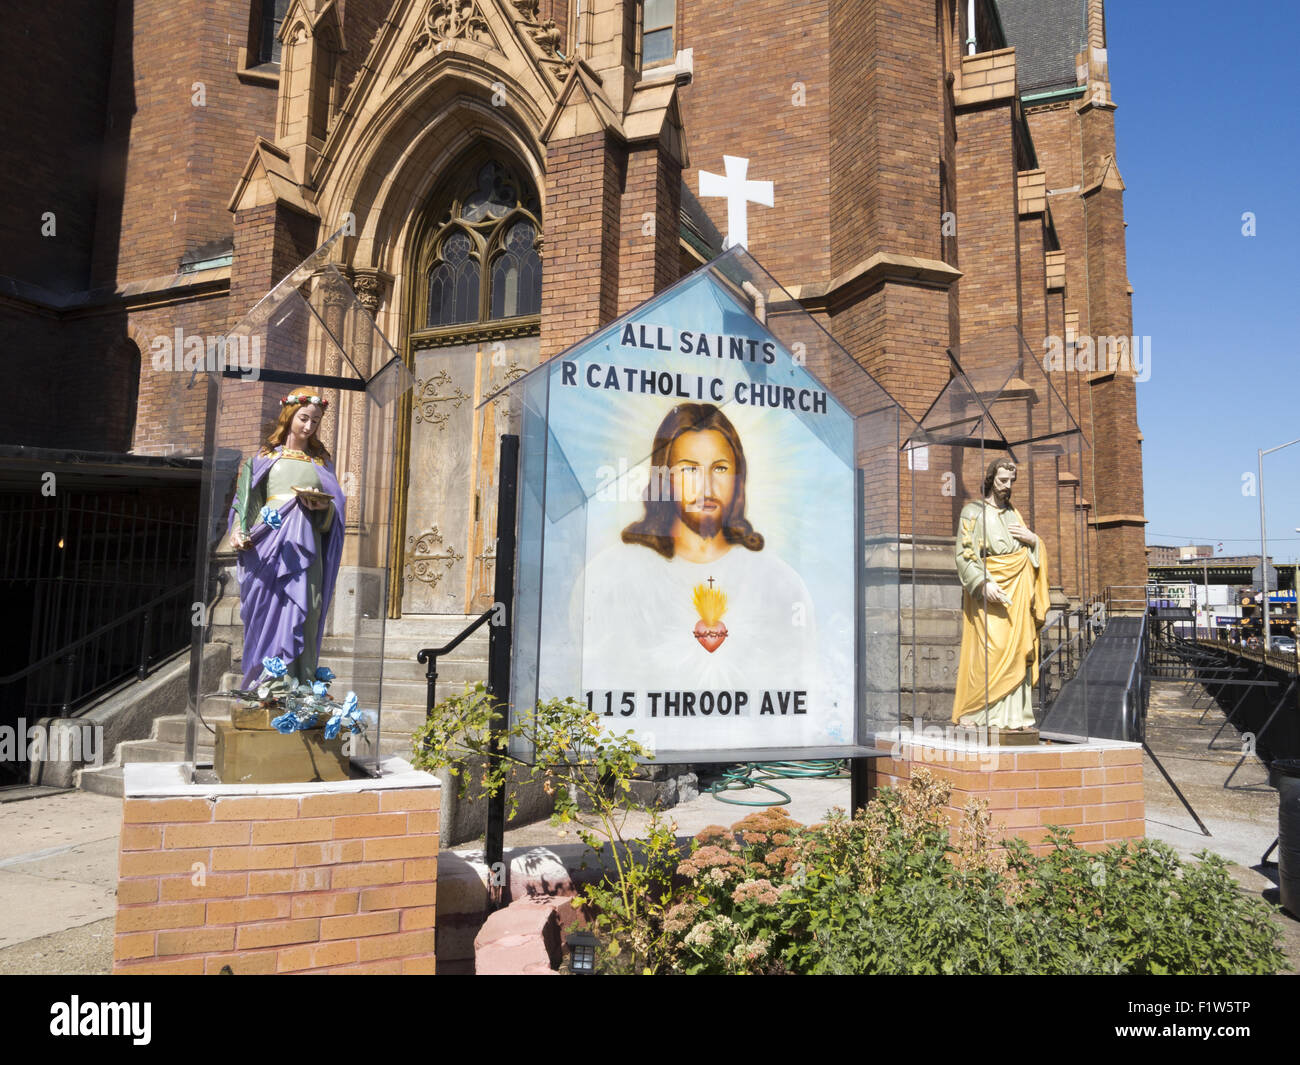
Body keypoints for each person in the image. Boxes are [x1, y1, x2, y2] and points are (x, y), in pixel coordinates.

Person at [577, 403, 817, 700]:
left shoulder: (780, 584)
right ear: (664, 478)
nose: (706, 487)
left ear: (738, 478)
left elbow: (799, 685)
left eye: (720, 468)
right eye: (690, 468)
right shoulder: (612, 575)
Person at [227, 386, 346, 689]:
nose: (309, 426)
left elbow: (336, 511)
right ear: (290, 415)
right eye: (304, 418)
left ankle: (298, 682)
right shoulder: (265, 458)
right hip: (269, 546)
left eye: (315, 422)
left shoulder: (319, 463)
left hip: (306, 550)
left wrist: (323, 508)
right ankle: (267, 681)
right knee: (269, 607)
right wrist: (239, 530)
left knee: (305, 606)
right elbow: (245, 502)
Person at [951, 457, 1049, 728]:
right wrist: (983, 583)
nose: (1007, 486)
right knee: (988, 650)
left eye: (1011, 481)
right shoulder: (973, 512)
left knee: (1017, 650)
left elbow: (1026, 551)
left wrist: (1035, 542)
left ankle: (1013, 715)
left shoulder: (1013, 514)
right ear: (991, 479)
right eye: (1002, 480)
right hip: (990, 590)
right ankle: (976, 710)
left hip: (1018, 591)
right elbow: (964, 554)